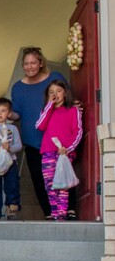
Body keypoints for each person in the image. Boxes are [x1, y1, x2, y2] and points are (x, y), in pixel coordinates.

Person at [10, 47, 72, 220]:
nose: (29, 67)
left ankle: (69, 210)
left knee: (63, 174)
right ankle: (49, 214)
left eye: (33, 63)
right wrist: (8, 114)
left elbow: (68, 100)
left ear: (41, 63)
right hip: (32, 141)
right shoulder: (18, 87)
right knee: (39, 180)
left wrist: (77, 106)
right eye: (26, 64)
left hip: (57, 141)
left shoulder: (55, 78)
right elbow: (17, 113)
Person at [35, 80, 83, 221]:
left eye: (58, 91)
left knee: (63, 184)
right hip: (48, 152)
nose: (55, 94)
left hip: (64, 153)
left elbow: (78, 131)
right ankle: (55, 213)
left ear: (65, 92)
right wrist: (49, 105)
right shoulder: (46, 110)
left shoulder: (73, 110)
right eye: (51, 92)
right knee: (49, 184)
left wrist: (68, 148)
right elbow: (40, 126)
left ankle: (62, 214)